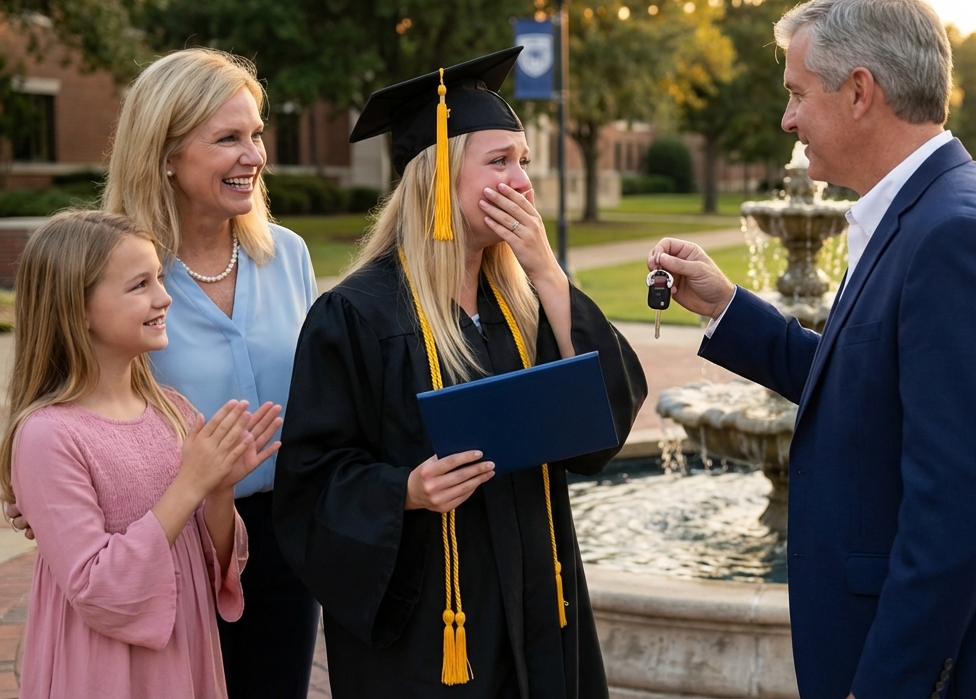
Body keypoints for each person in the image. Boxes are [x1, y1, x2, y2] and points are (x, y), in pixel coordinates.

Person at [648, 0, 976, 698]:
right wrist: (728, 307)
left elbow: (955, 512)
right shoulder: (922, 209)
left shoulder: (956, 236)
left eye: (798, 93)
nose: (787, 119)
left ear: (859, 91)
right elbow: (864, 384)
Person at [273, 47, 647, 698]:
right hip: (432, 626)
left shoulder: (524, 301)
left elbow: (604, 418)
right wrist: (406, 491)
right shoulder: (355, 316)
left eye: (524, 162)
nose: (524, 181)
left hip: (537, 600)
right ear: (437, 181)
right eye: (499, 162)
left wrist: (550, 274)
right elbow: (310, 484)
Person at [100, 48, 321, 698]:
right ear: (164, 153)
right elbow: (70, 406)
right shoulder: (112, 270)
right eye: (228, 138)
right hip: (169, 537)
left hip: (285, 538)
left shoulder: (288, 255)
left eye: (256, 134)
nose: (253, 155)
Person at [0, 210, 281, 699]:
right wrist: (190, 484)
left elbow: (214, 562)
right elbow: (97, 586)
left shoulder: (171, 410)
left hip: (184, 652)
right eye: (140, 285)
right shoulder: (47, 435)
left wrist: (219, 489)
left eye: (160, 278)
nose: (164, 297)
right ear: (78, 308)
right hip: (101, 669)